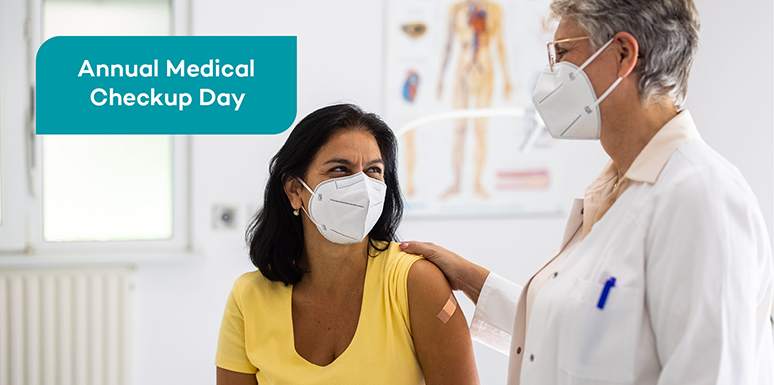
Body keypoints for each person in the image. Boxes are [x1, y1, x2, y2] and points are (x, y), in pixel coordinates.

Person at [400, 0, 774, 384]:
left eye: (562, 53)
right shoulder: (615, 190)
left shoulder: (700, 198)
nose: (551, 74)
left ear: (623, 54)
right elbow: (582, 335)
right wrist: (470, 279)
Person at [215, 104, 479, 385]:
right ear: (294, 190)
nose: (362, 186)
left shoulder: (416, 282)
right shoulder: (249, 296)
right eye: (341, 169)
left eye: (374, 170)